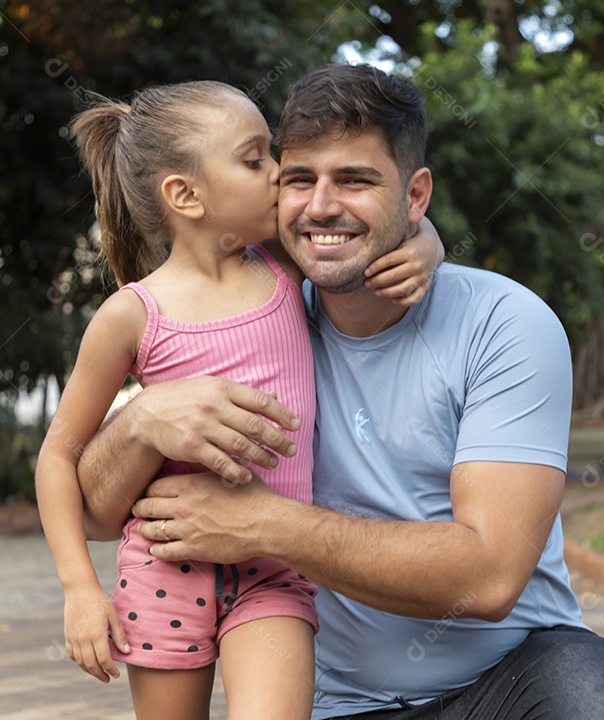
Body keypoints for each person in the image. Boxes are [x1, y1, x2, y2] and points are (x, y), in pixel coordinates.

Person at [76, 65, 604, 719]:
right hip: (345, 705)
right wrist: (141, 422)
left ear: (417, 197)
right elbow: (96, 516)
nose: (322, 205)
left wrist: (262, 524)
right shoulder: (254, 320)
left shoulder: (505, 323)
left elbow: (489, 574)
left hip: (514, 677)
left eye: (356, 181)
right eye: (298, 180)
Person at [35, 80, 444, 720]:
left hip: (273, 567)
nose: (283, 176)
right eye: (256, 160)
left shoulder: (284, 263)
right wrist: (78, 589)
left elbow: (371, 232)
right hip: (166, 567)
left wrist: (427, 244)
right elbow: (58, 455)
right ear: (186, 195)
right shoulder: (131, 315)